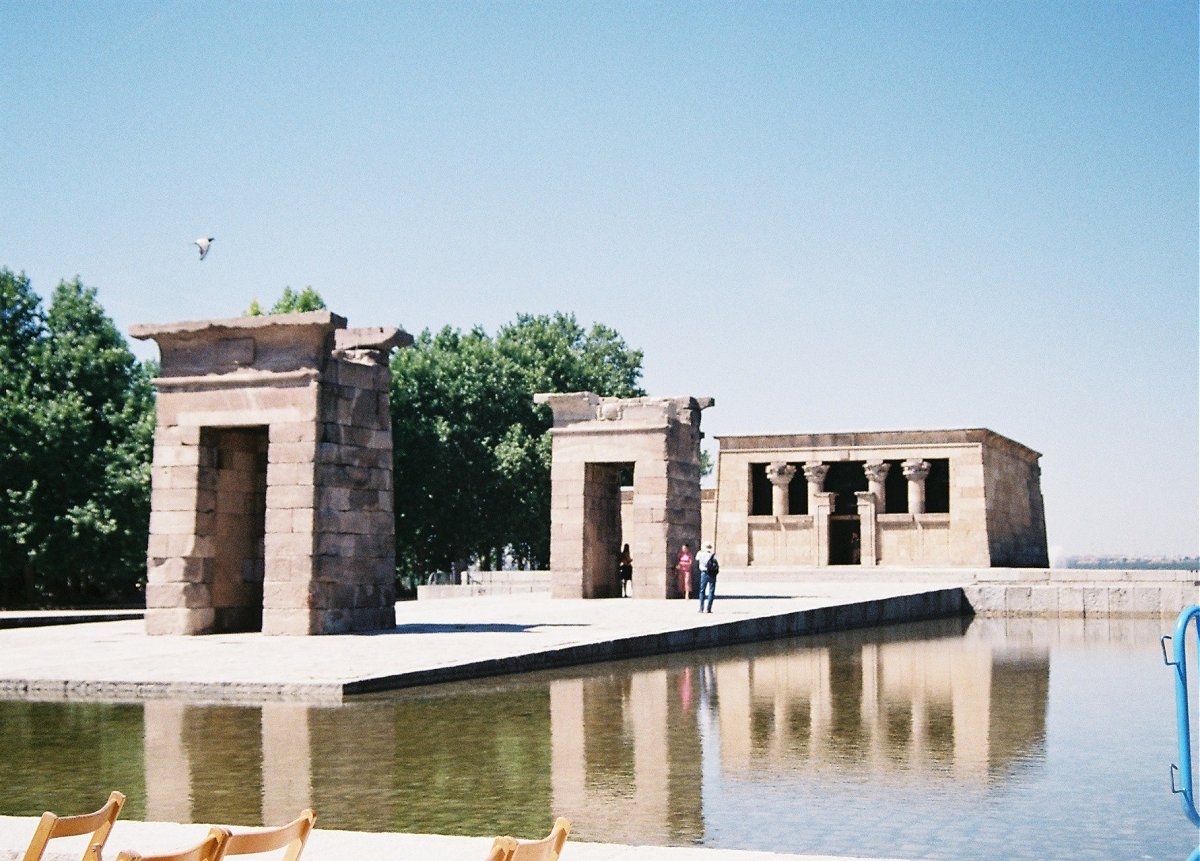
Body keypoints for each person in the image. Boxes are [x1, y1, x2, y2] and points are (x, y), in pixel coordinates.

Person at [696, 542, 718, 613]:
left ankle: (701, 608)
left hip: (704, 573)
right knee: (711, 590)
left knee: (702, 591)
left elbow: (697, 559)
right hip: (712, 573)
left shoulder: (700, 554)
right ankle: (708, 608)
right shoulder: (712, 555)